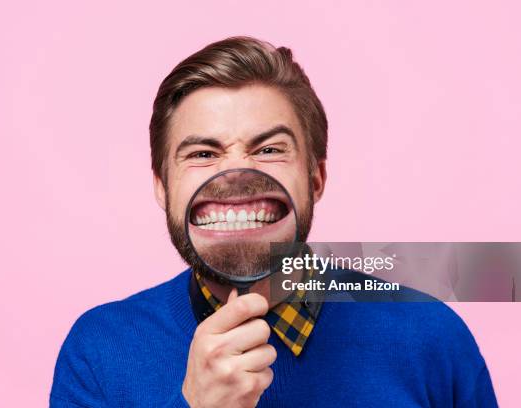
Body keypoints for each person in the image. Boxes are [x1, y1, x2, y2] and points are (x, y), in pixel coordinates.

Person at [50, 36, 497, 407]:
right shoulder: (99, 352)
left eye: (269, 150)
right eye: (203, 154)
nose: (239, 176)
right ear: (163, 188)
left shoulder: (430, 333)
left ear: (315, 178)